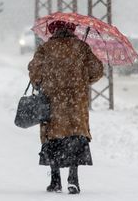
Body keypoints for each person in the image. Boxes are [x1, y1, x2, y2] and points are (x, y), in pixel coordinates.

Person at [28, 21, 103, 194]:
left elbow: (35, 72)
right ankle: (73, 178)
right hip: (76, 103)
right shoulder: (82, 47)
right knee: (74, 138)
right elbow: (97, 70)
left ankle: (55, 181)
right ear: (72, 30)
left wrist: (43, 80)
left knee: (53, 139)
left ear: (53, 31)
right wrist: (83, 79)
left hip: (53, 103)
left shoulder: (46, 48)